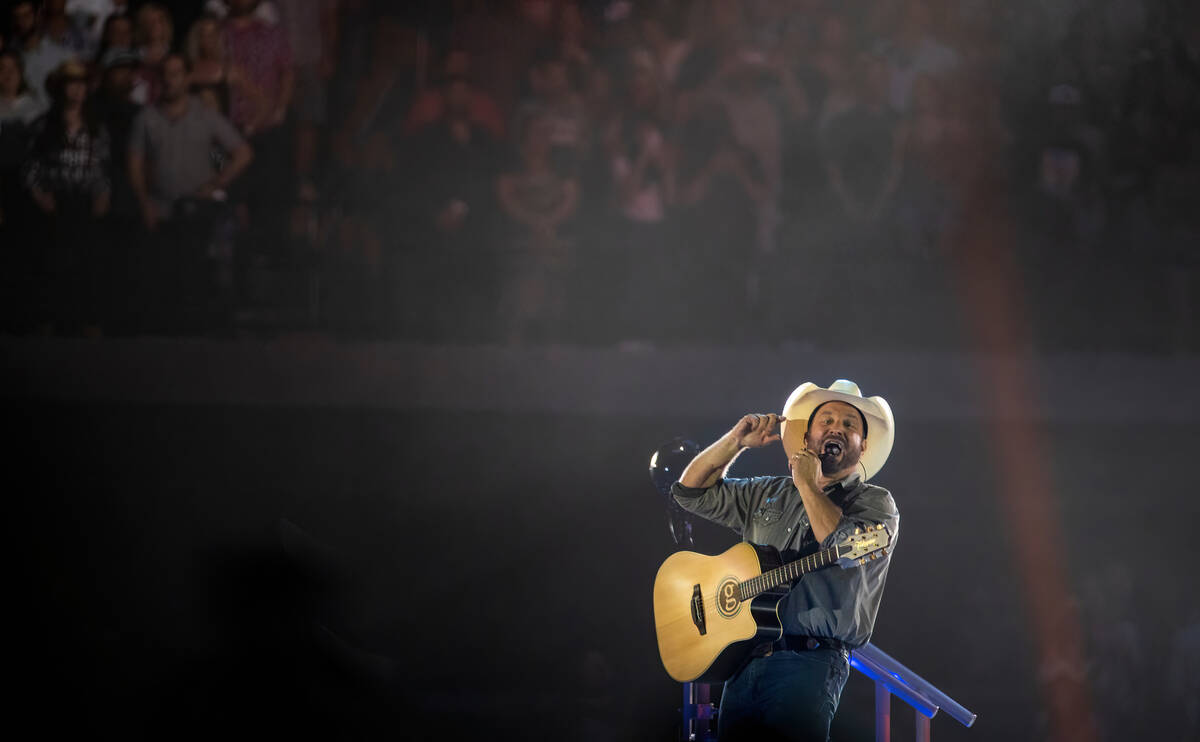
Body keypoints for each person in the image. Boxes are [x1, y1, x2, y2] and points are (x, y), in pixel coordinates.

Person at [671, 379, 900, 742]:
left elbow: (840, 543)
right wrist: (735, 442)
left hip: (809, 663)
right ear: (807, 435)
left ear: (863, 445)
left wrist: (808, 484)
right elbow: (689, 492)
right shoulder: (770, 491)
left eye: (848, 424)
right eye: (826, 420)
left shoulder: (874, 503)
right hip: (743, 658)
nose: (836, 428)